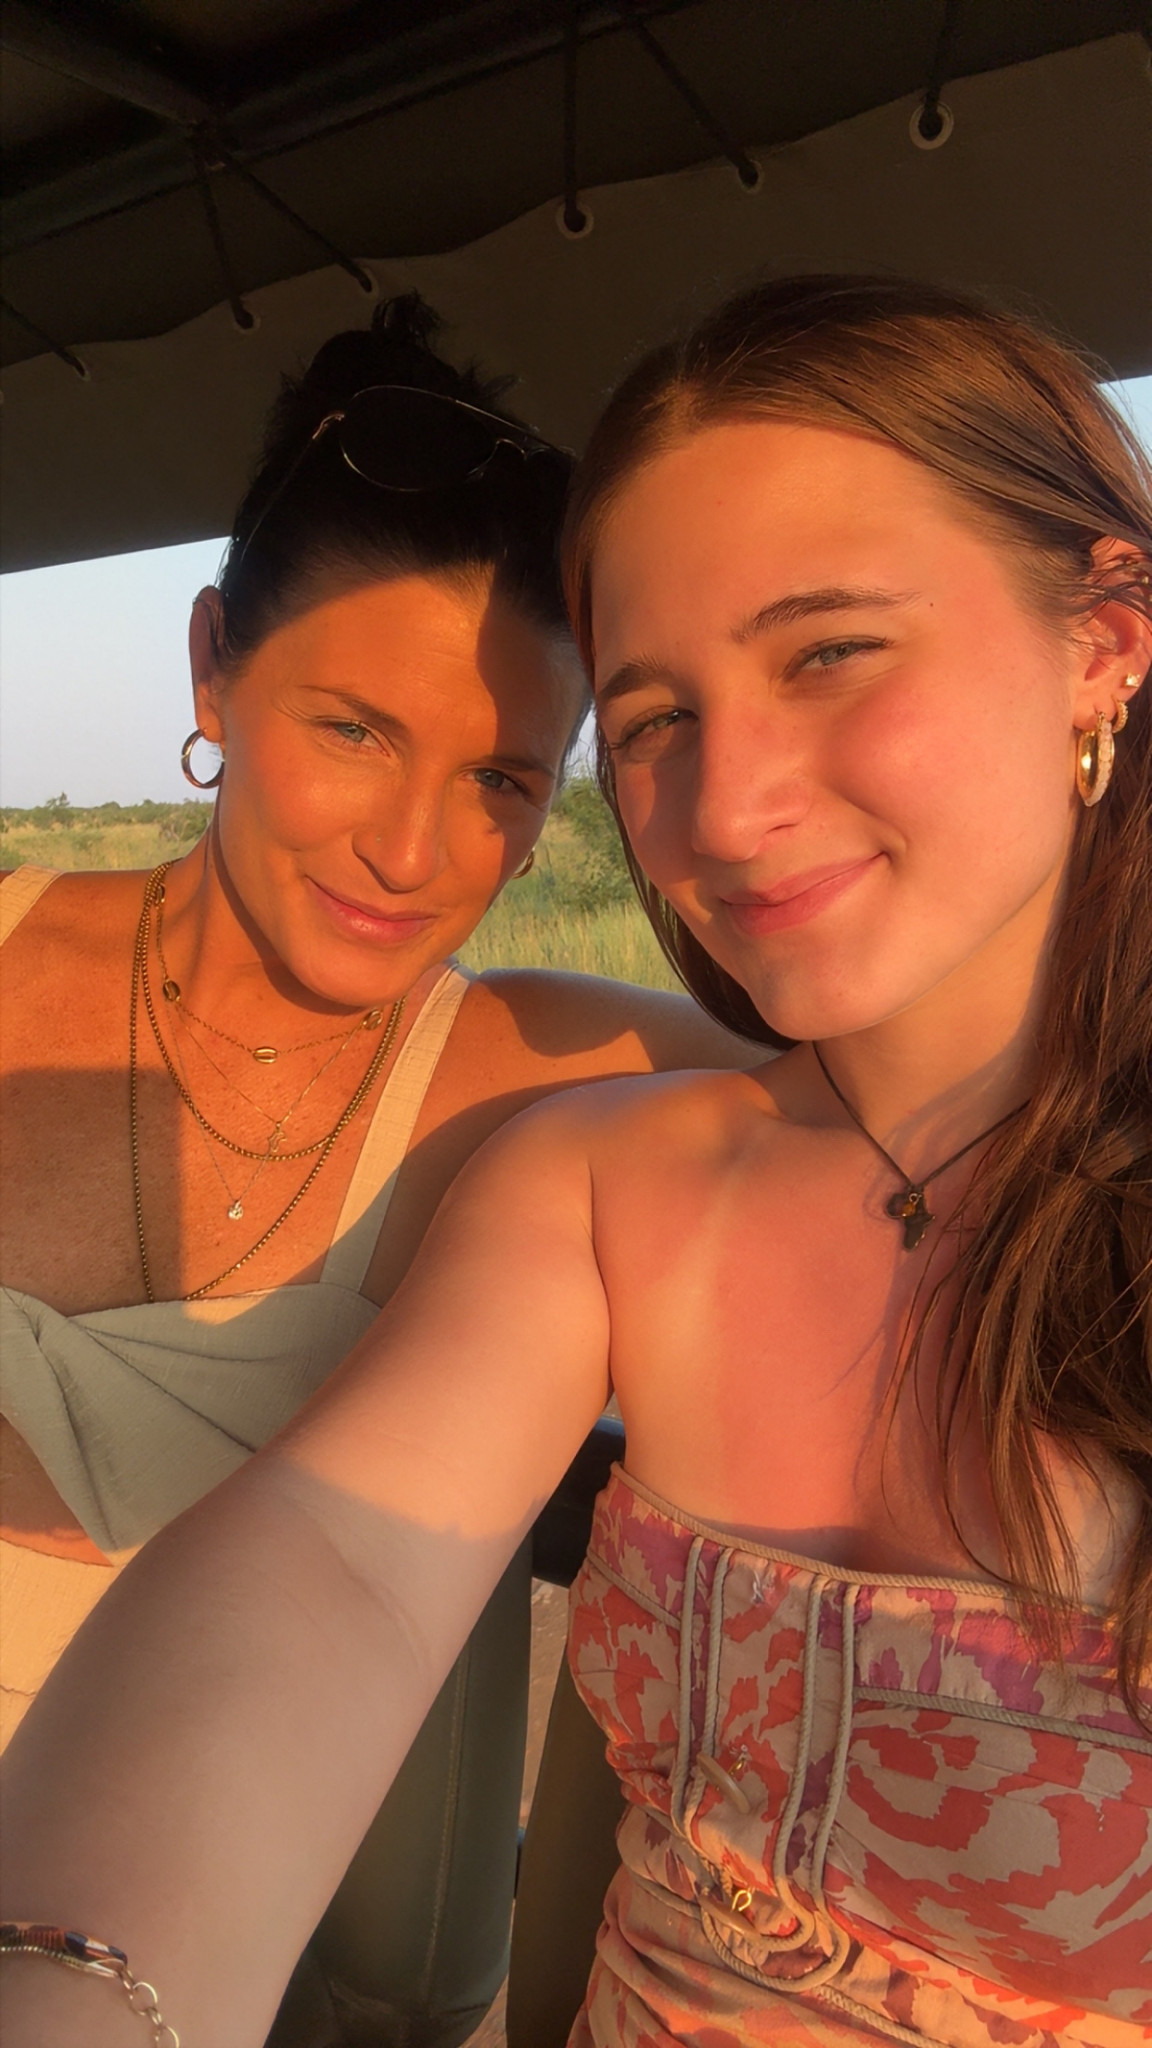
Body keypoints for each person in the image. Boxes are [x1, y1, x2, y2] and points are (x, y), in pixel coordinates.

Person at [3, 275, 1151, 2048]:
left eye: (830, 652)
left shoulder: (560, 1078)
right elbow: (334, 1565)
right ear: (214, 668)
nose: (728, 809)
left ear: (1106, 642)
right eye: (660, 718)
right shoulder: (609, 1178)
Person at [0, 294, 755, 2047]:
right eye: (351, 728)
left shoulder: (548, 1069)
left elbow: (951, 1081)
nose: (416, 853)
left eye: (502, 775)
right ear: (213, 664)